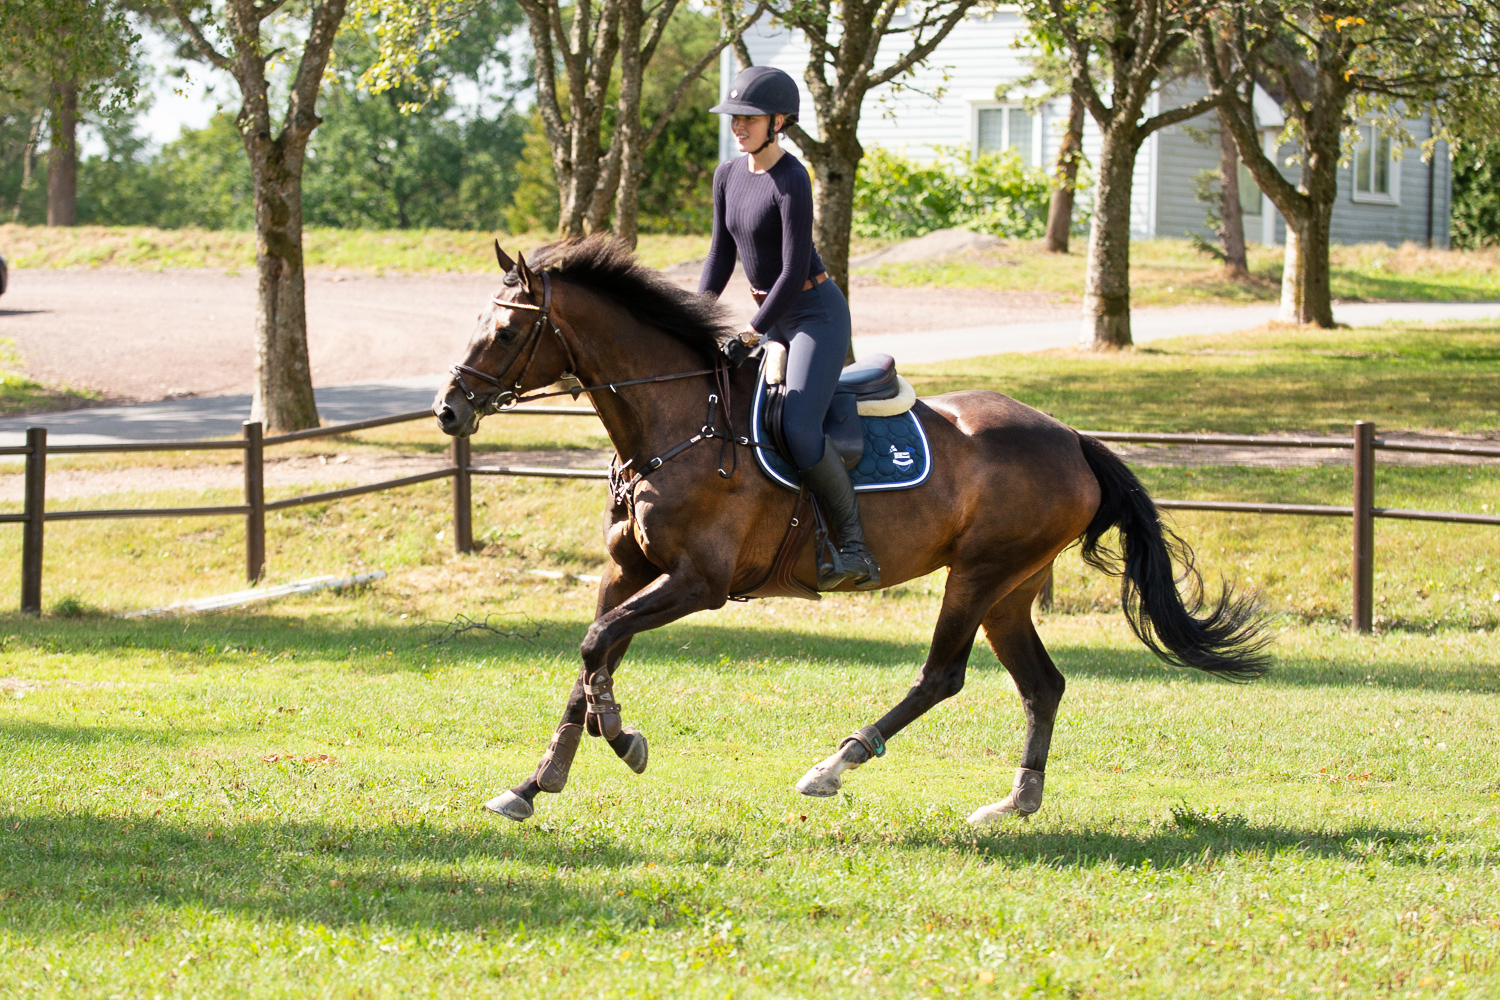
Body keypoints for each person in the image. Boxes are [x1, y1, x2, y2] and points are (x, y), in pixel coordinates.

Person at [699, 65, 880, 591]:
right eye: (734, 118)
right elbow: (718, 258)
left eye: (749, 118)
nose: (738, 127)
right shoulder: (727, 176)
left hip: (813, 314)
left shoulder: (793, 177)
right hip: (772, 316)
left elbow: (794, 267)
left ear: (779, 121)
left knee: (799, 426)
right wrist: (690, 318)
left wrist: (755, 330)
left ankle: (853, 547)